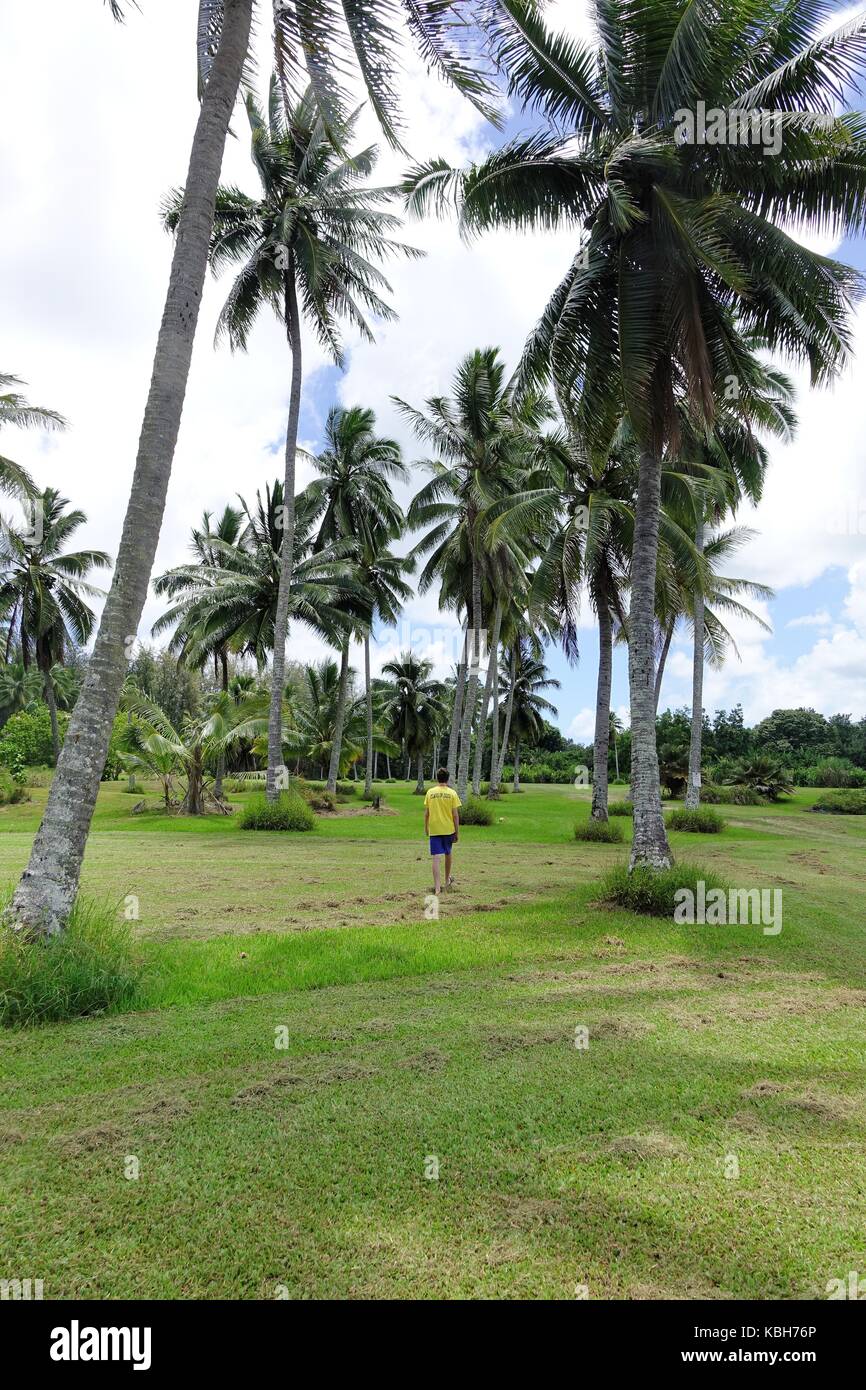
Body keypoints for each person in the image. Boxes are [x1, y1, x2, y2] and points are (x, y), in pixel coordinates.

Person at [424, 767, 461, 895]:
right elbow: (455, 815)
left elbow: (427, 813)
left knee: (436, 857)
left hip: (434, 828)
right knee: (448, 853)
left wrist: (426, 827)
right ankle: (447, 881)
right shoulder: (452, 793)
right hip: (448, 828)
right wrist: (457, 831)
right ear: (448, 778)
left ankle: (437, 888)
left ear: (437, 778)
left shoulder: (430, 792)